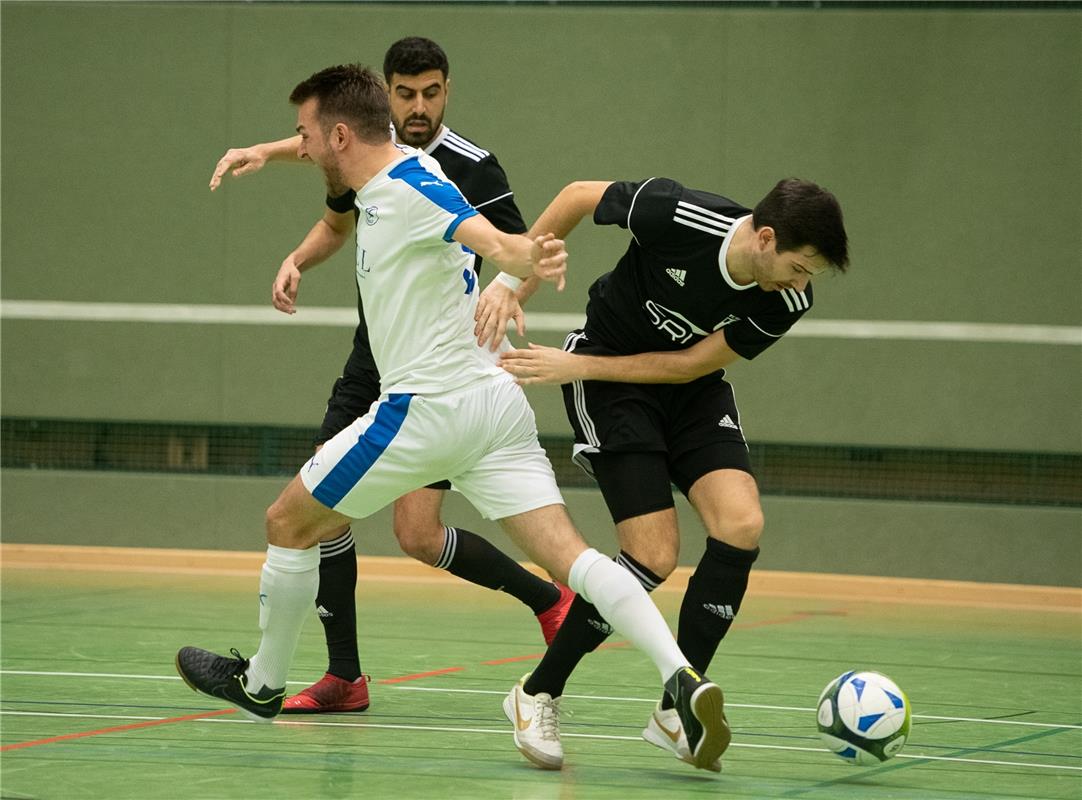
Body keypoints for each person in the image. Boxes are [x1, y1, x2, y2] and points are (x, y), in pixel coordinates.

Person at [176, 64, 730, 774]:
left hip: (424, 409)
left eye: (306, 136)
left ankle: (261, 683)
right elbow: (364, 164)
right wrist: (270, 151)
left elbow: (483, 235)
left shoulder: (409, 191)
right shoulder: (398, 162)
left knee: (288, 523)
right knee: (577, 560)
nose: (302, 146)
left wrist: (522, 254)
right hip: (495, 405)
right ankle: (680, 675)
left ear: (341, 136)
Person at [208, 37, 572, 714]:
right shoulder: (364, 154)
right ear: (385, 95)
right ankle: (343, 673)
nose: (418, 106)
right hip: (371, 357)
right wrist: (294, 246)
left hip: (440, 371)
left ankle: (549, 598)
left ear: (447, 90)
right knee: (317, 501)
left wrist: (504, 294)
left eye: (431, 92)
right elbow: (328, 189)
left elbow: (516, 248)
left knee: (417, 534)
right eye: (405, 93)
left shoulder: (469, 168)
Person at [492, 177, 849, 771]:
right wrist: (513, 282)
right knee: (652, 555)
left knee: (741, 523)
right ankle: (536, 692)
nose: (802, 283)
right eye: (799, 266)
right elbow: (580, 195)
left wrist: (572, 362)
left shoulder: (785, 299)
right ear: (764, 238)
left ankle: (674, 709)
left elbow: (689, 367)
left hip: (689, 390)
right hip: (607, 381)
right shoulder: (679, 215)